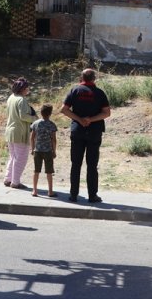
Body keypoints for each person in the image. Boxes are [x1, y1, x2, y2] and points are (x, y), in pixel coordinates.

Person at [61, 68, 111, 203]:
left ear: (81, 78)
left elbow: (64, 109)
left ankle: (73, 195)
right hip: (94, 132)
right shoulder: (99, 93)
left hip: (77, 131)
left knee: (75, 164)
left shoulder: (74, 91)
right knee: (92, 165)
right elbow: (106, 113)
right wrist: (91, 119)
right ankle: (92, 195)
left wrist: (79, 119)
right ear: (94, 79)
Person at [3, 78, 36, 190]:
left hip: (10, 131)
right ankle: (15, 182)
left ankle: (8, 179)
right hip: (20, 132)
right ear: (22, 89)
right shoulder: (21, 100)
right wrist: (34, 118)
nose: (28, 89)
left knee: (13, 157)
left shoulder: (11, 97)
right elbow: (23, 116)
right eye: (27, 88)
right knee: (21, 158)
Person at [30, 104, 58, 197]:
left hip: (37, 150)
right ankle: (50, 191)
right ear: (50, 114)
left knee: (36, 171)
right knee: (49, 172)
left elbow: (32, 137)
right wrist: (54, 151)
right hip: (48, 151)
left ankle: (34, 190)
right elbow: (53, 139)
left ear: (41, 113)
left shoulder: (36, 123)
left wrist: (32, 148)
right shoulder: (52, 125)